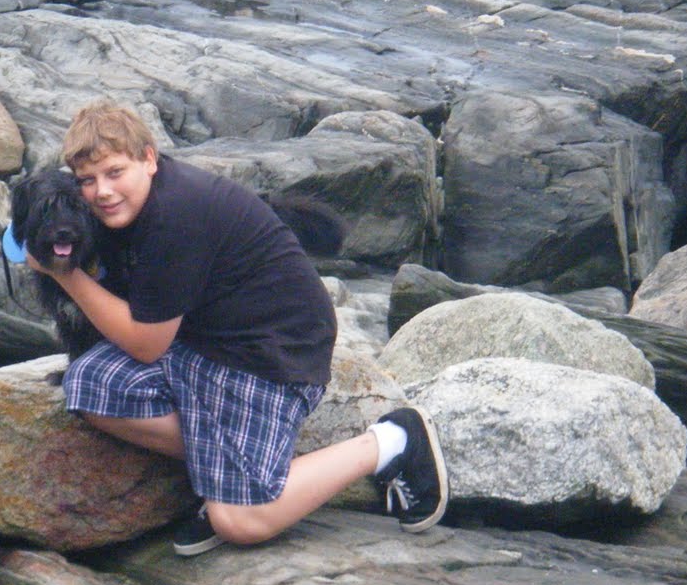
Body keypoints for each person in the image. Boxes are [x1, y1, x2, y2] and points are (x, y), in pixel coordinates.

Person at [28, 101, 447, 555]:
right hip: (201, 342)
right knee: (89, 385)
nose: (103, 192)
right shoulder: (136, 204)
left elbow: (146, 346)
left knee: (239, 521)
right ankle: (229, 470)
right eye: (88, 181)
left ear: (149, 158)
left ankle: (392, 441)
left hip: (269, 355)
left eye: (114, 172)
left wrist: (65, 275)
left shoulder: (175, 217)